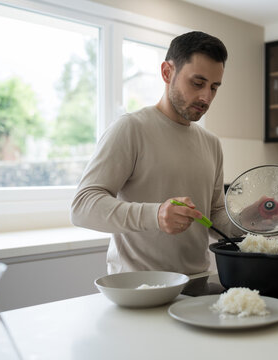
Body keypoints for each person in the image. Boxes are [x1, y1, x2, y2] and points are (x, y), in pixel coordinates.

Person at [70, 31, 244, 275]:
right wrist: (156, 215)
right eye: (197, 83)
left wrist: (248, 219)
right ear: (167, 72)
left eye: (214, 87)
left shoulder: (211, 143)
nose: (206, 97)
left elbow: (213, 219)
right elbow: (82, 207)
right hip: (138, 288)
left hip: (196, 285)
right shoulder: (131, 128)